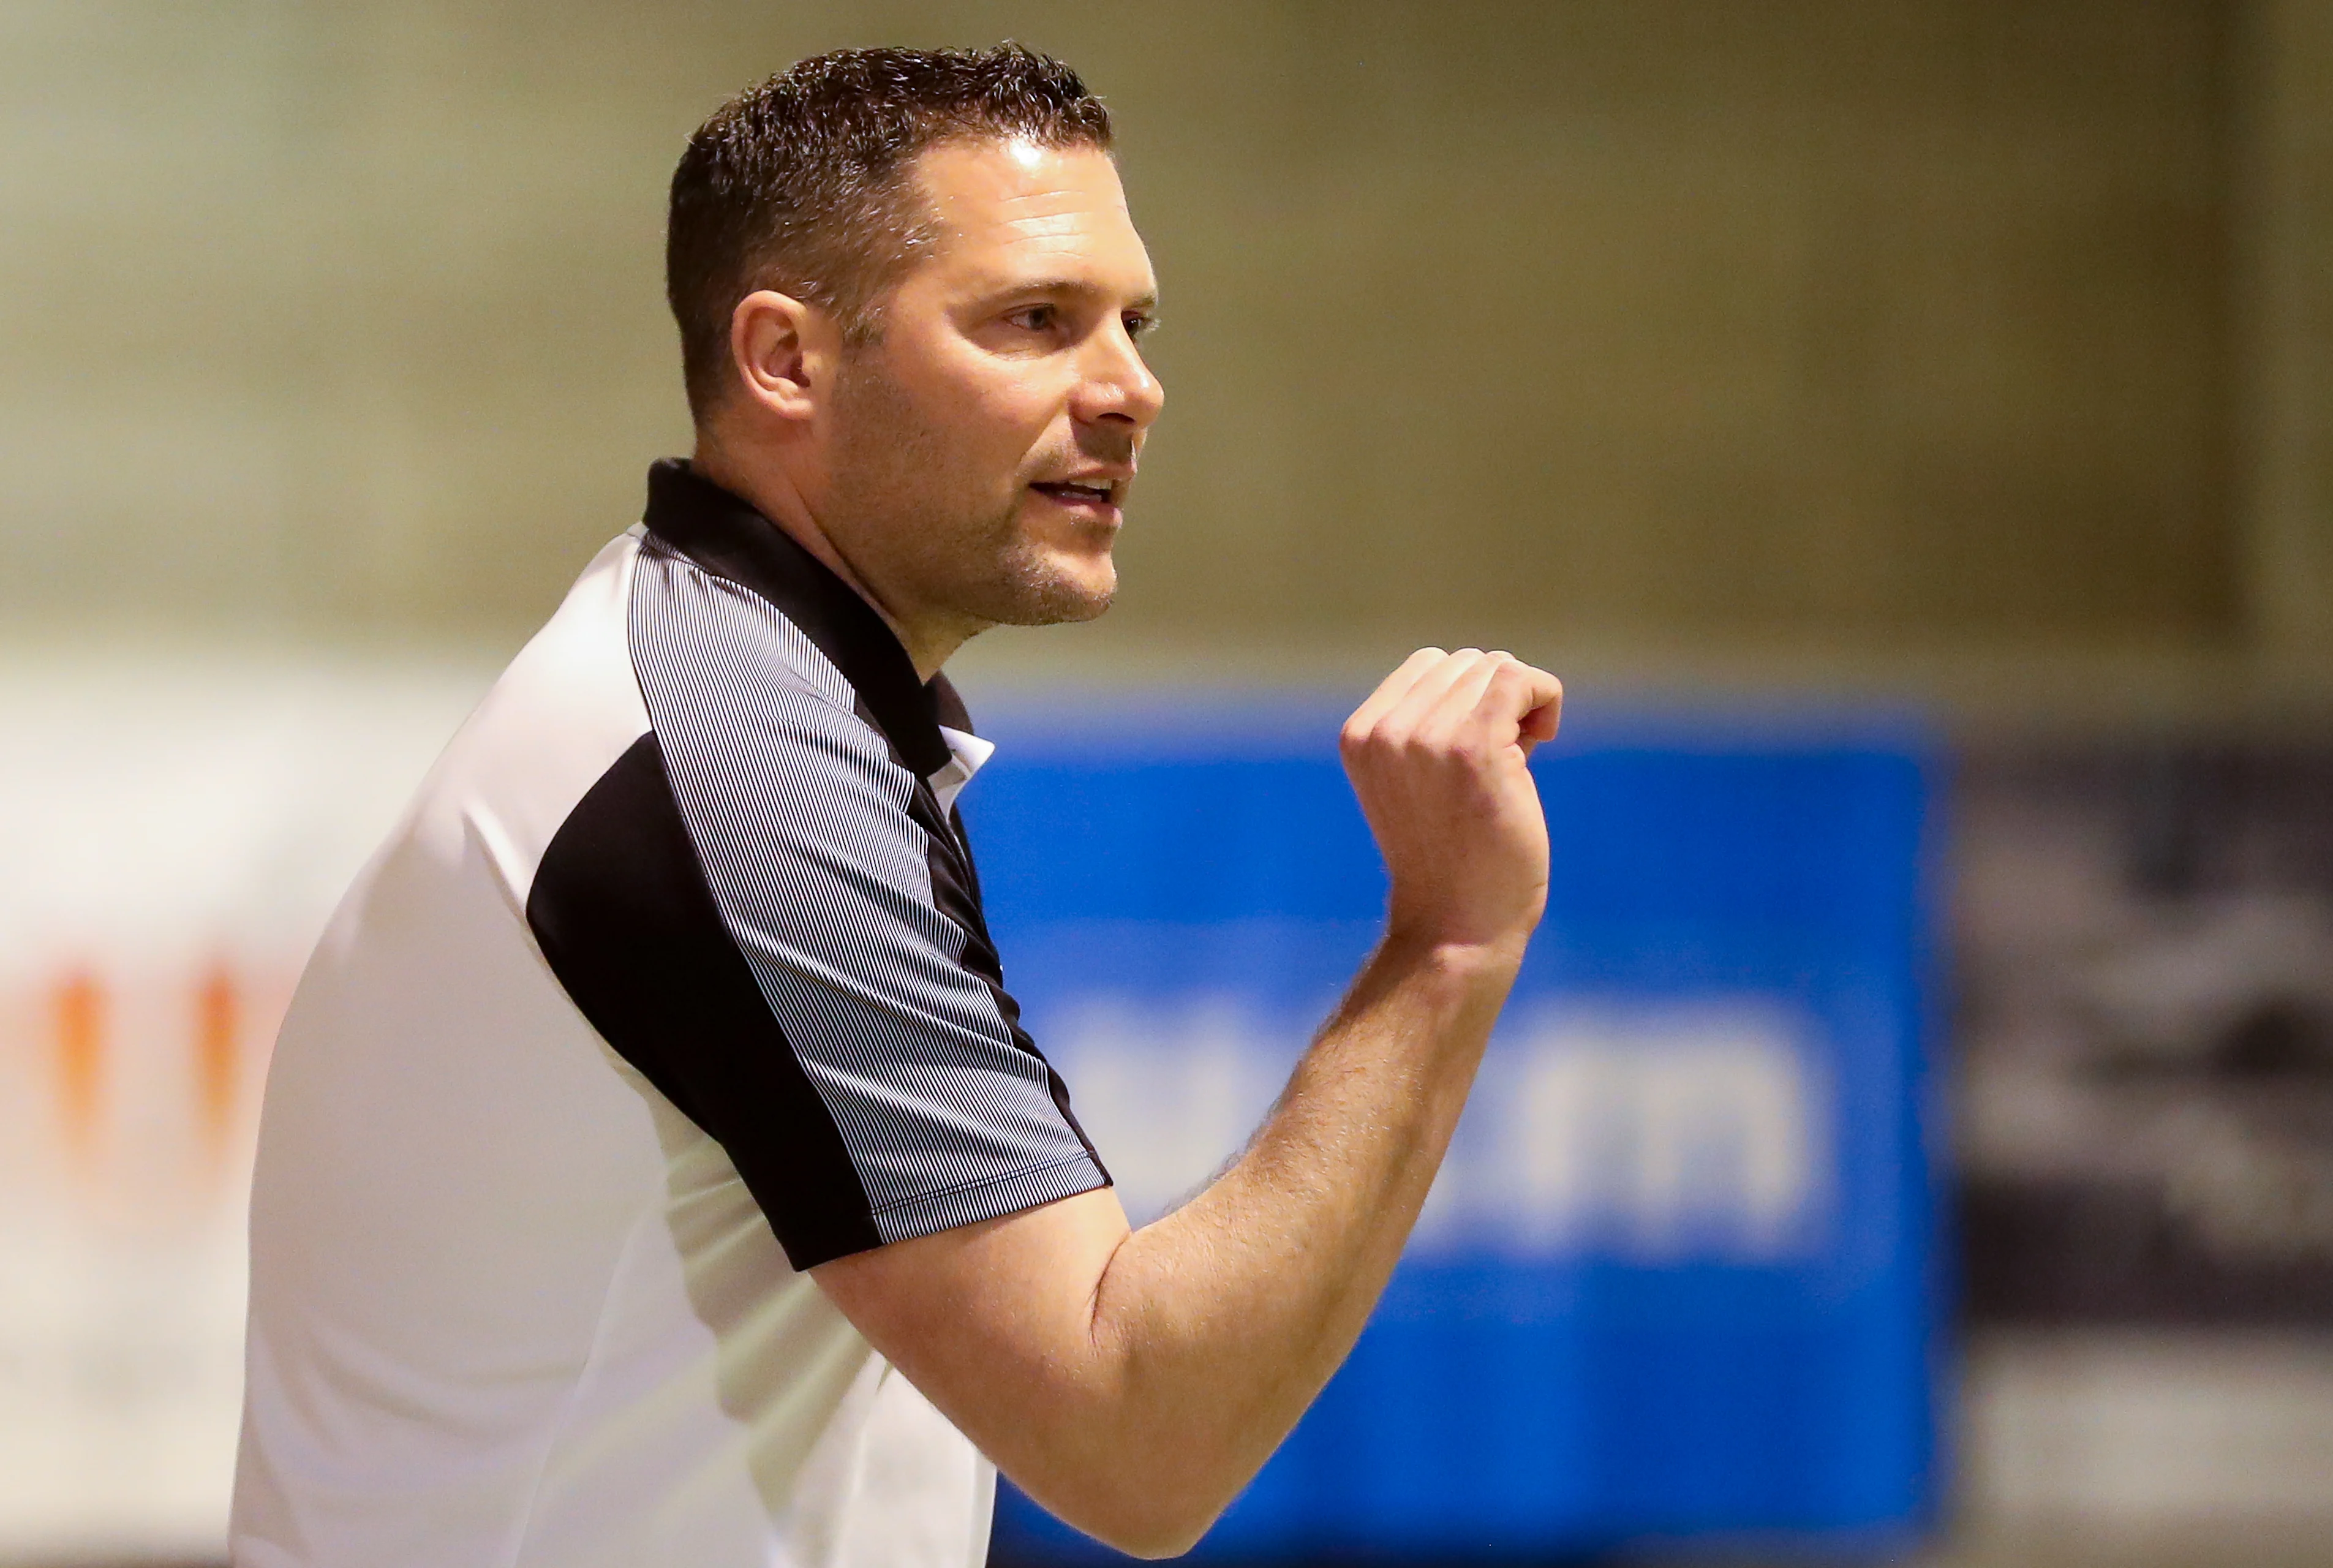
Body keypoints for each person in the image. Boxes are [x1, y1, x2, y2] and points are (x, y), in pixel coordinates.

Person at [231, 42, 1562, 1568]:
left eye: (1133, 322)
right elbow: (1143, 1432)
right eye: (1035, 321)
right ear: (786, 358)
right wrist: (1449, 943)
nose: (1134, 386)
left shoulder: (737, 689)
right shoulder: (730, 759)